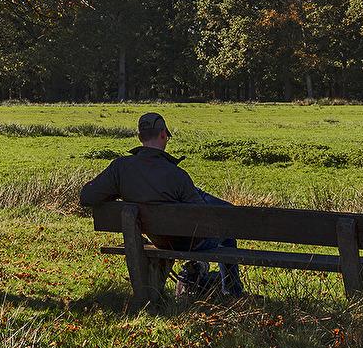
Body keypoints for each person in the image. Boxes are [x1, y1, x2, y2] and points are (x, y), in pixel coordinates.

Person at [79, 112, 244, 299]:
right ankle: (232, 292)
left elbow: (87, 196)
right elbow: (202, 217)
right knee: (228, 226)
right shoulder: (177, 175)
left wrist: (121, 192)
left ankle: (200, 268)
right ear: (164, 135)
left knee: (201, 196)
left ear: (140, 137)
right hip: (185, 242)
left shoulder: (120, 168)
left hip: (158, 239)